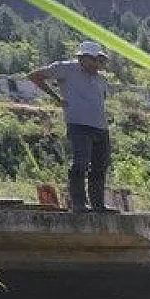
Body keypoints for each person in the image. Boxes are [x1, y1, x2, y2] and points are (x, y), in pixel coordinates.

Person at [29, 41, 113, 213]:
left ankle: (98, 204)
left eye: (99, 60)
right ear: (82, 58)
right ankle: (78, 203)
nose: (96, 64)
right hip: (78, 124)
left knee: (100, 165)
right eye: (93, 59)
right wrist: (56, 98)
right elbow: (34, 76)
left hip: (101, 127)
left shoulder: (101, 79)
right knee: (80, 163)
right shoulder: (66, 68)